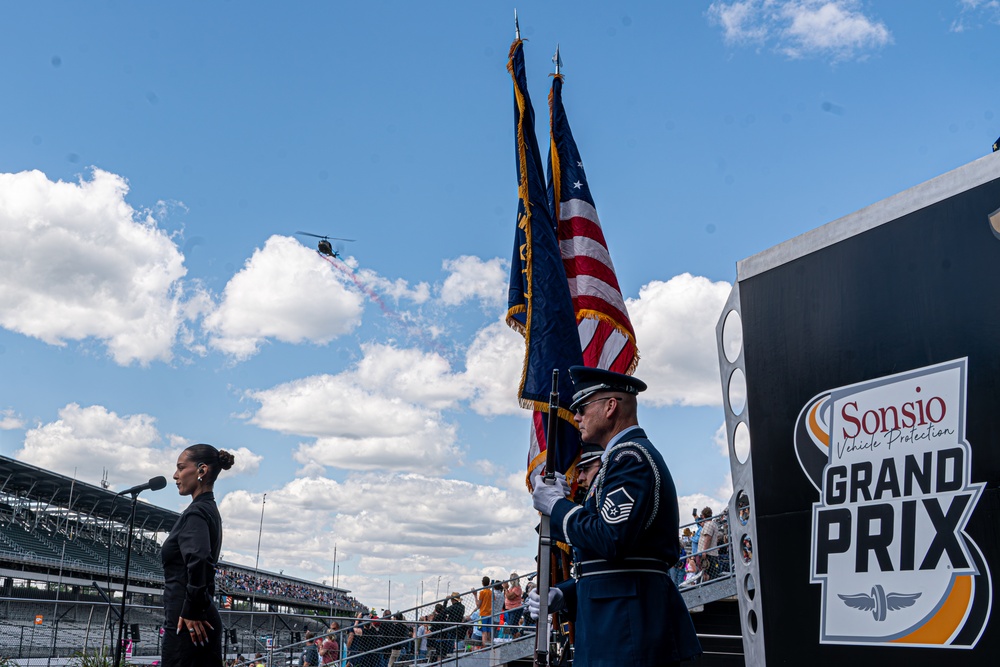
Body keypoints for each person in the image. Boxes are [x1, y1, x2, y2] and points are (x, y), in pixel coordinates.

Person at [528, 367, 701, 666]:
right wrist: (566, 593)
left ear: (610, 407)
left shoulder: (630, 458)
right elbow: (609, 563)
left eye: (582, 408)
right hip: (616, 625)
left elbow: (610, 539)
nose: (577, 417)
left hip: (628, 630)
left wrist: (556, 505)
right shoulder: (620, 460)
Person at [160, 443, 235, 667]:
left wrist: (192, 609)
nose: (175, 475)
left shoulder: (197, 512)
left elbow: (200, 559)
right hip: (193, 618)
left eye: (181, 467)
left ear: (202, 470)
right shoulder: (208, 509)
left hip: (189, 623)